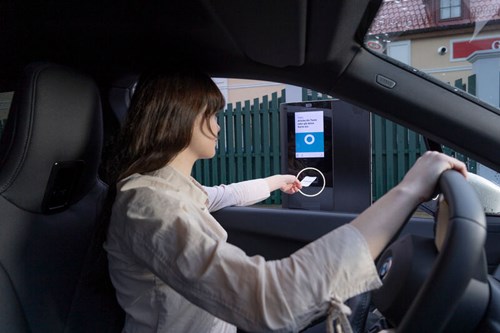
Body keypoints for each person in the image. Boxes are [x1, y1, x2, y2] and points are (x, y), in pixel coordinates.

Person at [104, 68, 467, 333]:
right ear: (179, 115)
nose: (216, 126)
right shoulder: (147, 204)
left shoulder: (176, 191)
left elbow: (224, 194)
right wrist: (407, 190)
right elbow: (273, 300)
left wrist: (278, 181)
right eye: (211, 114)